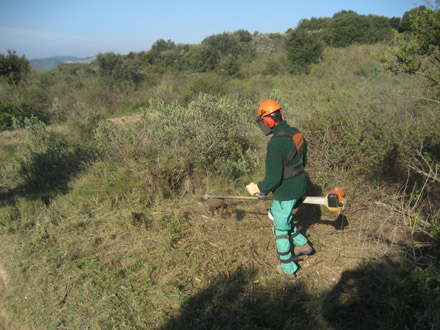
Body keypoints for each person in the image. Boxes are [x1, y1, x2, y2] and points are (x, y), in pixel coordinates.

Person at [246, 99, 313, 280]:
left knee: (280, 228)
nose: (263, 125)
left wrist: (260, 188)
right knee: (283, 217)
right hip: (300, 187)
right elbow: (303, 161)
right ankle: (304, 245)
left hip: (285, 193)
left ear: (268, 120)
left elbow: (273, 179)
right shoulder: (296, 133)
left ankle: (288, 268)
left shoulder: (275, 144)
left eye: (263, 121)